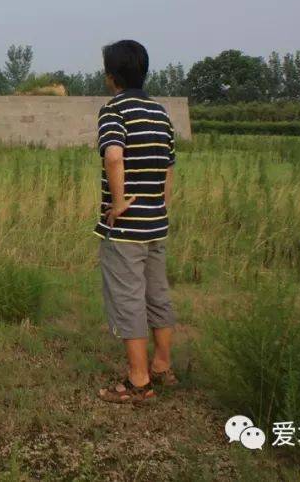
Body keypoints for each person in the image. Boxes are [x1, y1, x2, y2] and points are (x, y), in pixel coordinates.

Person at [94, 40, 177, 404]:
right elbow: (169, 168)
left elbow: (114, 156)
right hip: (156, 223)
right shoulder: (160, 113)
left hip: (126, 230)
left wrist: (119, 201)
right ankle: (162, 366)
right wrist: (159, 205)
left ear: (111, 76)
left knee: (128, 300)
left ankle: (139, 381)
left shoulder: (114, 110)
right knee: (157, 294)